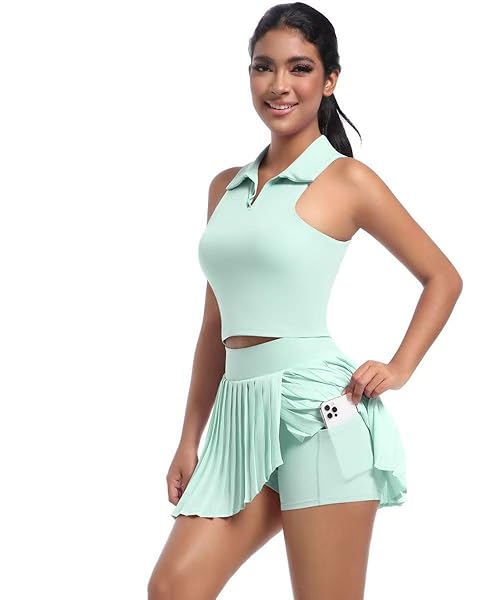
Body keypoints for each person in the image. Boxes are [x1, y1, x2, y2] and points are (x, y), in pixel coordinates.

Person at [148, 3, 462, 599]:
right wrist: (190, 437)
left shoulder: (347, 180)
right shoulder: (225, 187)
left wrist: (399, 367)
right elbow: (214, 323)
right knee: (173, 588)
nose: (279, 85)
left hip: (318, 418)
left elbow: (442, 277)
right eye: (263, 67)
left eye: (299, 68)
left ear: (329, 79)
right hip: (239, 420)